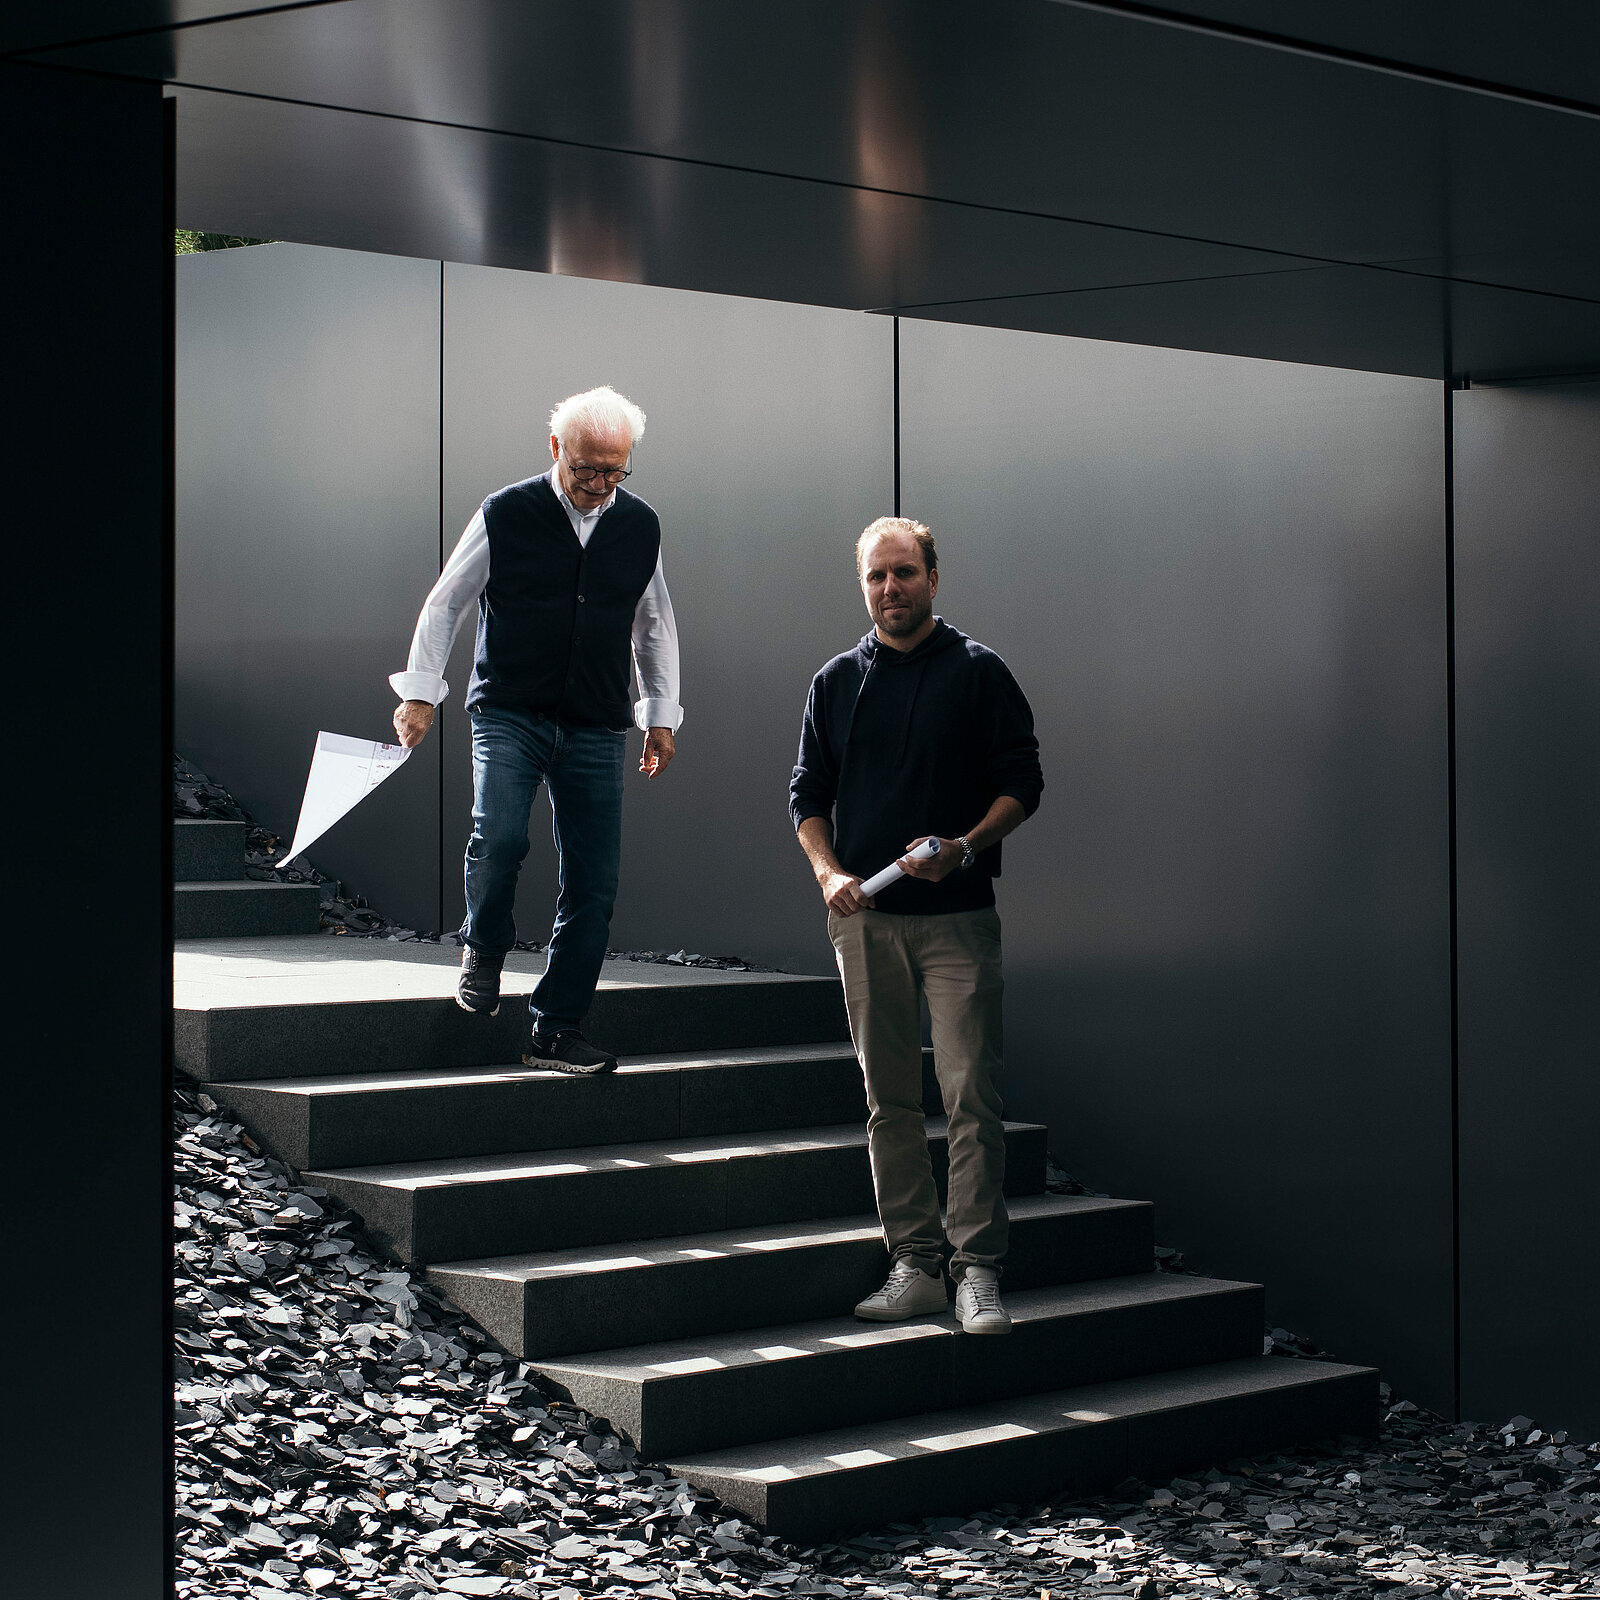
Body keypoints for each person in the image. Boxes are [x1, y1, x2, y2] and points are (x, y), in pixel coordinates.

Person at [790, 517, 1042, 1334]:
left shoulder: (979, 672)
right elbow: (807, 798)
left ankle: (978, 1273)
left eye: (904, 573)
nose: (889, 589)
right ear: (863, 585)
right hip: (866, 924)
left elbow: (1023, 783)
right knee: (889, 1101)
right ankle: (917, 1267)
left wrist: (965, 847)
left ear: (934, 577)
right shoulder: (834, 681)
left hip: (958, 922)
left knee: (971, 1095)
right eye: (876, 578)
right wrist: (829, 873)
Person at [390, 385, 681, 1075]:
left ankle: (556, 1029)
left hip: (596, 722)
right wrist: (421, 696)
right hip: (509, 711)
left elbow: (654, 622)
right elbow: (446, 603)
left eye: (615, 470)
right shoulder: (508, 511)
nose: (599, 484)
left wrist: (659, 716)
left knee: (594, 881)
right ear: (557, 449)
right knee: (501, 835)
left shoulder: (639, 525)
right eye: (586, 468)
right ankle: (483, 947)